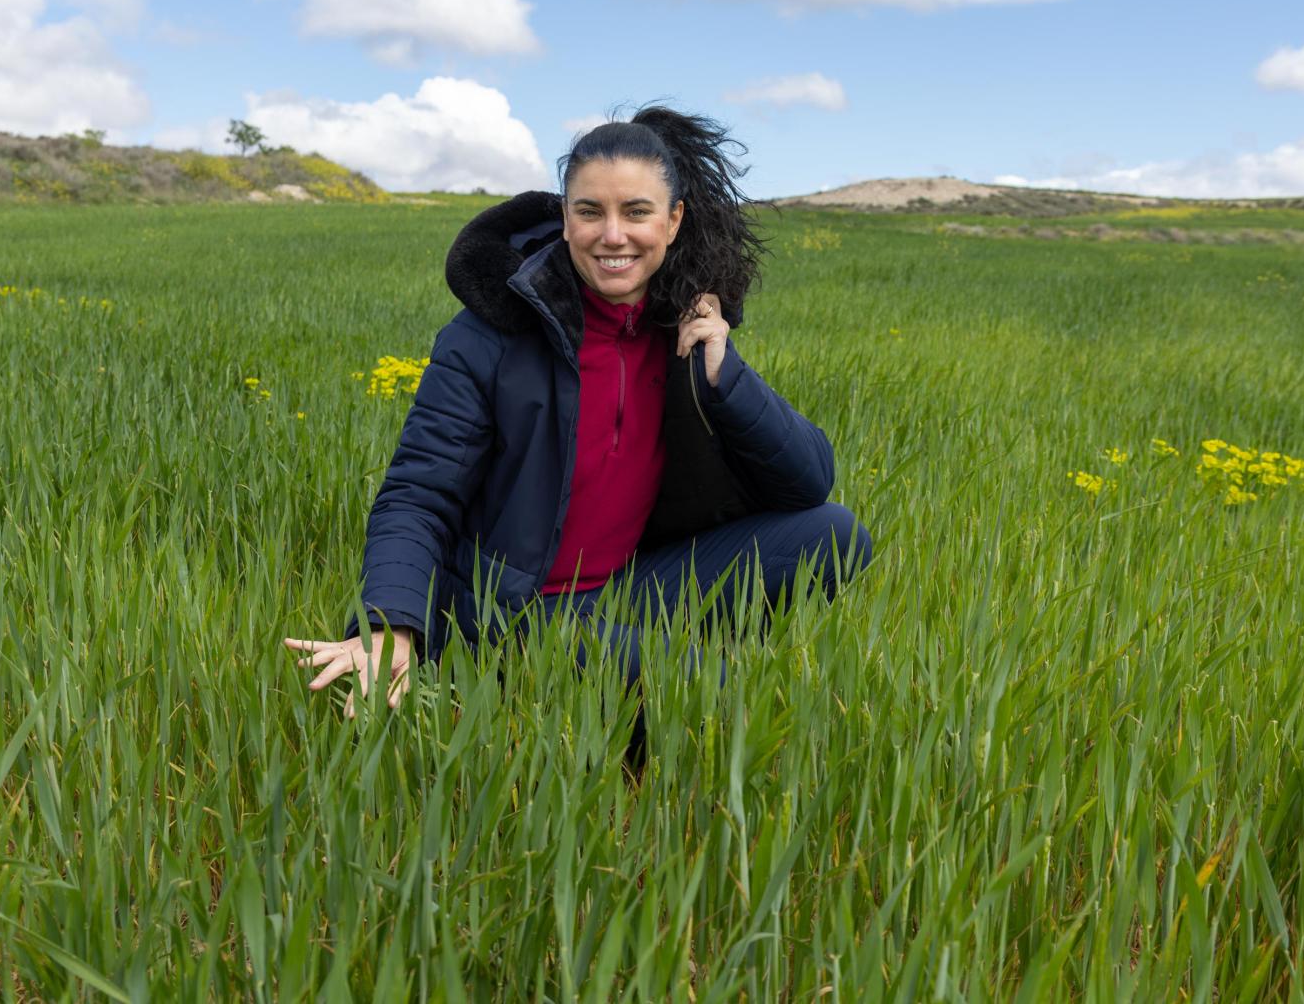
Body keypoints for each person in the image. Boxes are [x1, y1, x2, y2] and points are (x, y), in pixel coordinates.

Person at [284, 105, 872, 717]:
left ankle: (637, 658)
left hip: (624, 587)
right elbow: (417, 493)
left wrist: (726, 374)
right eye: (590, 211)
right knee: (709, 686)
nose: (612, 235)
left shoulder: (682, 328)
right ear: (565, 220)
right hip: (510, 609)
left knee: (835, 534)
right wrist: (390, 626)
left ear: (673, 221)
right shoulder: (489, 336)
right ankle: (549, 685)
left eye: (636, 212)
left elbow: (808, 481)